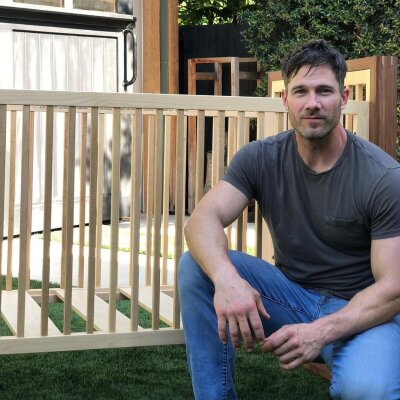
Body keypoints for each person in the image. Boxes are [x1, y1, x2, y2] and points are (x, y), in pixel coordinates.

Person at [177, 39, 400, 400]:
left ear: (343, 98)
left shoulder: (382, 177)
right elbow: (201, 220)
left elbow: (393, 288)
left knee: (367, 389)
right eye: (301, 91)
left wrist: (320, 332)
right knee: (195, 266)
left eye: (324, 91)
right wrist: (227, 279)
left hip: (361, 312)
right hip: (289, 298)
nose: (312, 103)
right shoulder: (259, 158)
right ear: (285, 100)